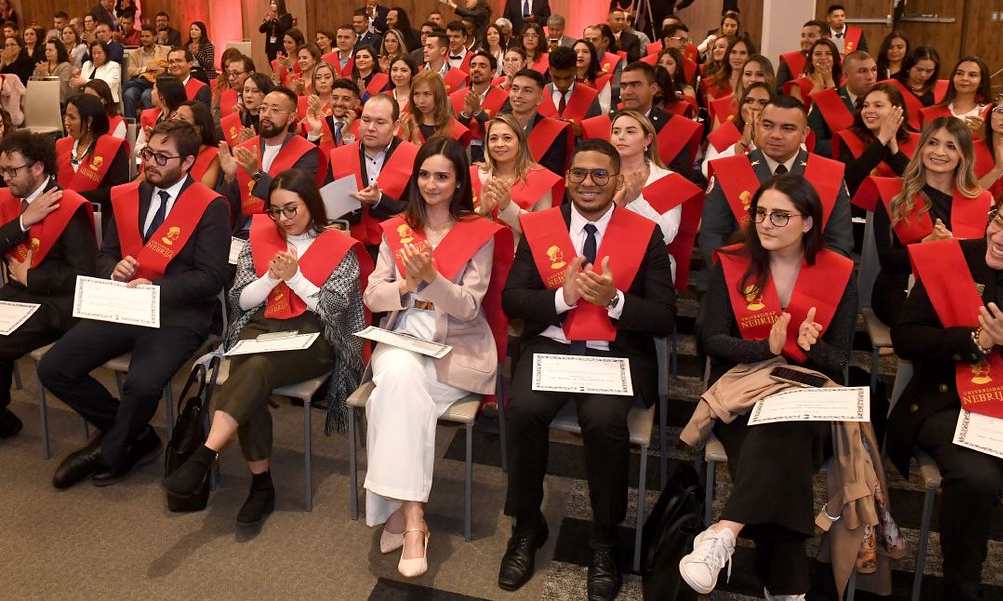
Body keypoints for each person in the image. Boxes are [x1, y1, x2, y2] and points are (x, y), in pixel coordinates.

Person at [499, 138, 675, 600]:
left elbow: (664, 316)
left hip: (612, 354)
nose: (588, 182)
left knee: (603, 421)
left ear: (618, 181)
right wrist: (565, 298)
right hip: (551, 347)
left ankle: (604, 536)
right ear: (568, 177)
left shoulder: (645, 233)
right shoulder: (540, 227)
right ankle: (527, 524)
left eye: (600, 174)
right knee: (522, 411)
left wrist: (613, 301)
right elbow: (512, 300)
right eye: (579, 173)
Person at [680, 174, 857, 597]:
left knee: (782, 437)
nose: (767, 223)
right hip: (745, 390)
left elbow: (842, 360)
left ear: (808, 222)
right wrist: (767, 346)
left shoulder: (838, 273)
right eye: (761, 213)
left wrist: (809, 347)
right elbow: (711, 341)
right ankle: (787, 588)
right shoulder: (735, 263)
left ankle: (724, 532)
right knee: (785, 451)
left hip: (809, 392)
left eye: (781, 216)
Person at [162, 168, 369, 525]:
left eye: (292, 209)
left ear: (311, 205)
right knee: (252, 370)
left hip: (315, 336)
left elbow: (335, 309)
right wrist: (271, 278)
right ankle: (258, 482)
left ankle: (216, 459)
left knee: (253, 367)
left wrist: (296, 278)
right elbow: (239, 301)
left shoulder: (339, 246)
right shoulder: (259, 238)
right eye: (275, 211)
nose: (283, 219)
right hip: (261, 325)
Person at [39, 120, 231, 489]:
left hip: (180, 311)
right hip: (126, 301)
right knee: (54, 367)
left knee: (142, 385)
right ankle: (133, 434)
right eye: (148, 153)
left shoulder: (209, 206)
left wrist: (158, 286)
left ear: (188, 161)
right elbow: (106, 254)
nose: (150, 163)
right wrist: (114, 269)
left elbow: (211, 277)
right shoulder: (129, 194)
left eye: (162, 157)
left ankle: (113, 449)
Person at [362, 137, 511, 577]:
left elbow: (469, 306)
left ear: (460, 182)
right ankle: (414, 520)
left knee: (389, 398)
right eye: (424, 174)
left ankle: (398, 511)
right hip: (401, 339)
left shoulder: (478, 233)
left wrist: (431, 279)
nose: (431, 184)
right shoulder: (396, 229)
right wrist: (408, 286)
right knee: (401, 379)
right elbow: (373, 293)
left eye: (442, 176)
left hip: (456, 348)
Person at [889, 183, 1003, 601]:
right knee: (976, 479)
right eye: (998, 220)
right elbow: (907, 338)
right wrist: (979, 340)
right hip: (951, 401)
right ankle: (961, 589)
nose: (999, 237)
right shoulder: (954, 259)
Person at [0, 130, 97, 440]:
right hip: (20, 293)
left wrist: (33, 278)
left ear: (37, 167)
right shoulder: (12, 201)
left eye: (11, 170)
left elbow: (85, 275)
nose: (5, 178)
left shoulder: (69, 206)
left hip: (57, 304)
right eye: (2, 170)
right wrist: (25, 222)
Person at [853, 116, 991, 327]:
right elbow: (888, 262)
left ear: (964, 155)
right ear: (922, 147)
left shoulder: (980, 201)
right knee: (938, 321)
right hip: (901, 288)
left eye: (951, 146)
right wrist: (926, 245)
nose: (939, 152)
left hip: (954, 287)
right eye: (932, 143)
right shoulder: (893, 195)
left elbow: (984, 261)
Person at [699, 95, 854, 267]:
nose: (776, 135)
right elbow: (713, 237)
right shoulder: (729, 171)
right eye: (767, 125)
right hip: (740, 280)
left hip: (808, 283)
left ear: (804, 134)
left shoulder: (829, 174)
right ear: (756, 127)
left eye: (788, 128)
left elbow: (839, 243)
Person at [217, 87, 325, 238]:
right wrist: (229, 177)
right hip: (244, 231)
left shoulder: (306, 152)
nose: (266, 115)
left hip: (285, 231)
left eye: (275, 110)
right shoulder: (246, 149)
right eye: (263, 108)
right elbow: (230, 206)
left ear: (291, 118)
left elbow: (296, 201)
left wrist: (256, 173)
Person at [611, 110, 702, 285]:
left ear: (647, 140)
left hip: (651, 270)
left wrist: (637, 200)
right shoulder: (601, 176)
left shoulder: (669, 180)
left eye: (630, 131)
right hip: (607, 262)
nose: (621, 137)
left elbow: (667, 235)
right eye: (616, 132)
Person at [327, 94, 416, 257]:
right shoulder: (339, 156)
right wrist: (353, 207)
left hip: (399, 247)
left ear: (396, 126)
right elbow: (327, 209)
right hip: (349, 247)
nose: (370, 127)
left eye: (380, 122)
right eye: (366, 120)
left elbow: (420, 209)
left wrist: (379, 201)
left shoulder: (414, 157)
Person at [583, 62, 703, 179]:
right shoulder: (603, 124)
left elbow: (680, 180)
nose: (628, 92)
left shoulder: (677, 128)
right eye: (623, 86)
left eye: (635, 85)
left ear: (653, 89)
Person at [471, 113, 561, 245]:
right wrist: (482, 211)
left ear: (520, 142)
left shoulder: (542, 178)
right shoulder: (472, 173)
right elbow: (457, 225)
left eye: (507, 138)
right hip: (478, 256)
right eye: (493, 139)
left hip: (519, 258)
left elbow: (542, 231)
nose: (499, 144)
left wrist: (508, 207)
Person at [57, 93, 130, 221]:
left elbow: (117, 190)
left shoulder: (113, 147)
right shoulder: (61, 145)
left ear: (89, 120)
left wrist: (76, 197)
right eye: (66, 117)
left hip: (99, 215)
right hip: (63, 214)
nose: (66, 122)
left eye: (72, 118)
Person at [832, 82, 913, 195]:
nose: (869, 110)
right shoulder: (847, 138)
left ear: (897, 110)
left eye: (878, 105)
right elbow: (848, 182)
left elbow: (916, 183)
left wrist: (894, 148)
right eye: (865, 105)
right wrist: (882, 140)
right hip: (860, 210)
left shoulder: (913, 140)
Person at [806, 48, 877, 157]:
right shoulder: (826, 101)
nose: (871, 77)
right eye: (863, 71)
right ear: (845, 76)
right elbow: (814, 145)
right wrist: (852, 143)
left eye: (874, 70)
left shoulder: (885, 100)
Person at [503, 68, 571, 176]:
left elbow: (552, 173)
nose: (518, 95)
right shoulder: (497, 125)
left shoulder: (554, 131)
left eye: (527, 90)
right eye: (515, 89)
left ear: (540, 99)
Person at [702, 81, 773, 178]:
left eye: (762, 102)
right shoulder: (725, 132)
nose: (754, 107)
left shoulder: (779, 135)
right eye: (748, 101)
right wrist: (741, 145)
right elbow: (707, 171)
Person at [452, 51, 509, 161]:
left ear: (493, 73)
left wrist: (478, 111)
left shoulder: (505, 98)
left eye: (482, 66)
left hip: (491, 153)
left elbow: (502, 131)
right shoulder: (454, 97)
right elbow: (452, 133)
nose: (476, 69)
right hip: (460, 153)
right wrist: (466, 115)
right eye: (473, 66)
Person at [539, 46, 602, 132]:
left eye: (567, 78)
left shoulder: (590, 96)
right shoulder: (539, 94)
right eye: (557, 78)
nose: (562, 84)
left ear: (576, 70)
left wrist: (580, 133)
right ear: (550, 71)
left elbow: (597, 133)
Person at [921, 56, 991, 131]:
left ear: (981, 81)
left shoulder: (990, 112)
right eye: (959, 73)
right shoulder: (933, 112)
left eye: (972, 75)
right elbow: (925, 141)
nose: (964, 78)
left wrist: (983, 133)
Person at [401, 71, 469, 147]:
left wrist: (417, 143)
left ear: (439, 95)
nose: (421, 101)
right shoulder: (407, 125)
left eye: (427, 94)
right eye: (416, 94)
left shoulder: (454, 129)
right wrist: (405, 137)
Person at [172, 100, 223, 190]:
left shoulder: (214, 155)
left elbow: (204, 192)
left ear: (198, 128)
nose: (174, 120)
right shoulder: (170, 149)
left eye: (182, 118)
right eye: (175, 115)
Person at [123, 26, 171, 119]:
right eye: (142, 36)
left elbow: (170, 66)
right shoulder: (135, 53)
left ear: (155, 37)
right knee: (129, 94)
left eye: (147, 36)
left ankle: (152, 122)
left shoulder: (165, 50)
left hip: (156, 83)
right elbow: (130, 71)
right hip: (141, 82)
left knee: (146, 95)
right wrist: (146, 68)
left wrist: (164, 70)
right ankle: (130, 124)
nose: (144, 39)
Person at [890, 45, 942, 128]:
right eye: (919, 69)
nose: (923, 75)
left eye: (929, 71)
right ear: (909, 66)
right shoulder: (894, 85)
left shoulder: (939, 89)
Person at [775, 20, 826, 88]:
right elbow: (779, 90)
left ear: (824, 38)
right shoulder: (788, 60)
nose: (805, 40)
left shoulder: (834, 60)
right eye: (803, 35)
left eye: (811, 36)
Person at [32, 38, 74, 106]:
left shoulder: (65, 66)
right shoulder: (42, 65)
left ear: (59, 51)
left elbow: (61, 90)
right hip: (41, 100)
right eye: (46, 50)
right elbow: (34, 86)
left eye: (51, 50)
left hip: (59, 103)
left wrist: (46, 74)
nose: (47, 52)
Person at [259, 0, 293, 66]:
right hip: (270, 47)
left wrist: (274, 20)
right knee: (274, 68)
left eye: (274, 4)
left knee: (282, 67)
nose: (272, 5)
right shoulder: (270, 17)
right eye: (271, 3)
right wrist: (266, 21)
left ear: (280, 4)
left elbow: (284, 29)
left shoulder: (287, 17)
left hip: (281, 46)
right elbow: (261, 30)